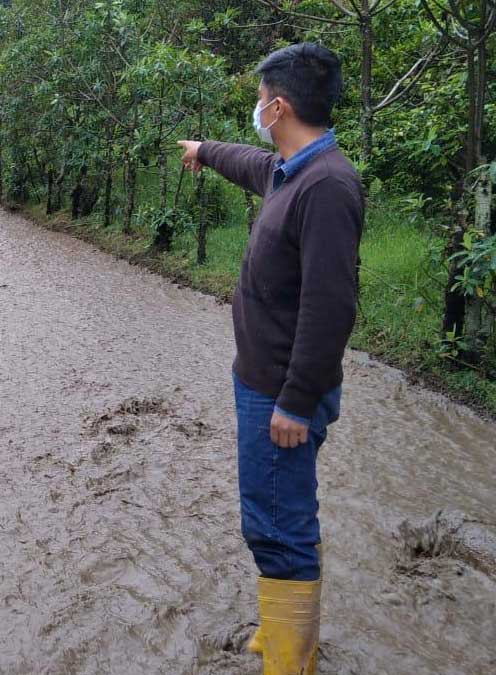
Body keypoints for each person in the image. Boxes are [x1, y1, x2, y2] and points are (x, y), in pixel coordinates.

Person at [178, 43, 363, 675]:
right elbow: (251, 162)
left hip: (282, 395)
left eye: (260, 100)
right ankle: (286, 637)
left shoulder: (327, 186)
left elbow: (331, 306)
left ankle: (290, 662)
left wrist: (296, 400)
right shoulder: (291, 171)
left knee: (278, 526)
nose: (257, 110)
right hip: (264, 383)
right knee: (272, 516)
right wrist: (203, 152)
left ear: (278, 105)